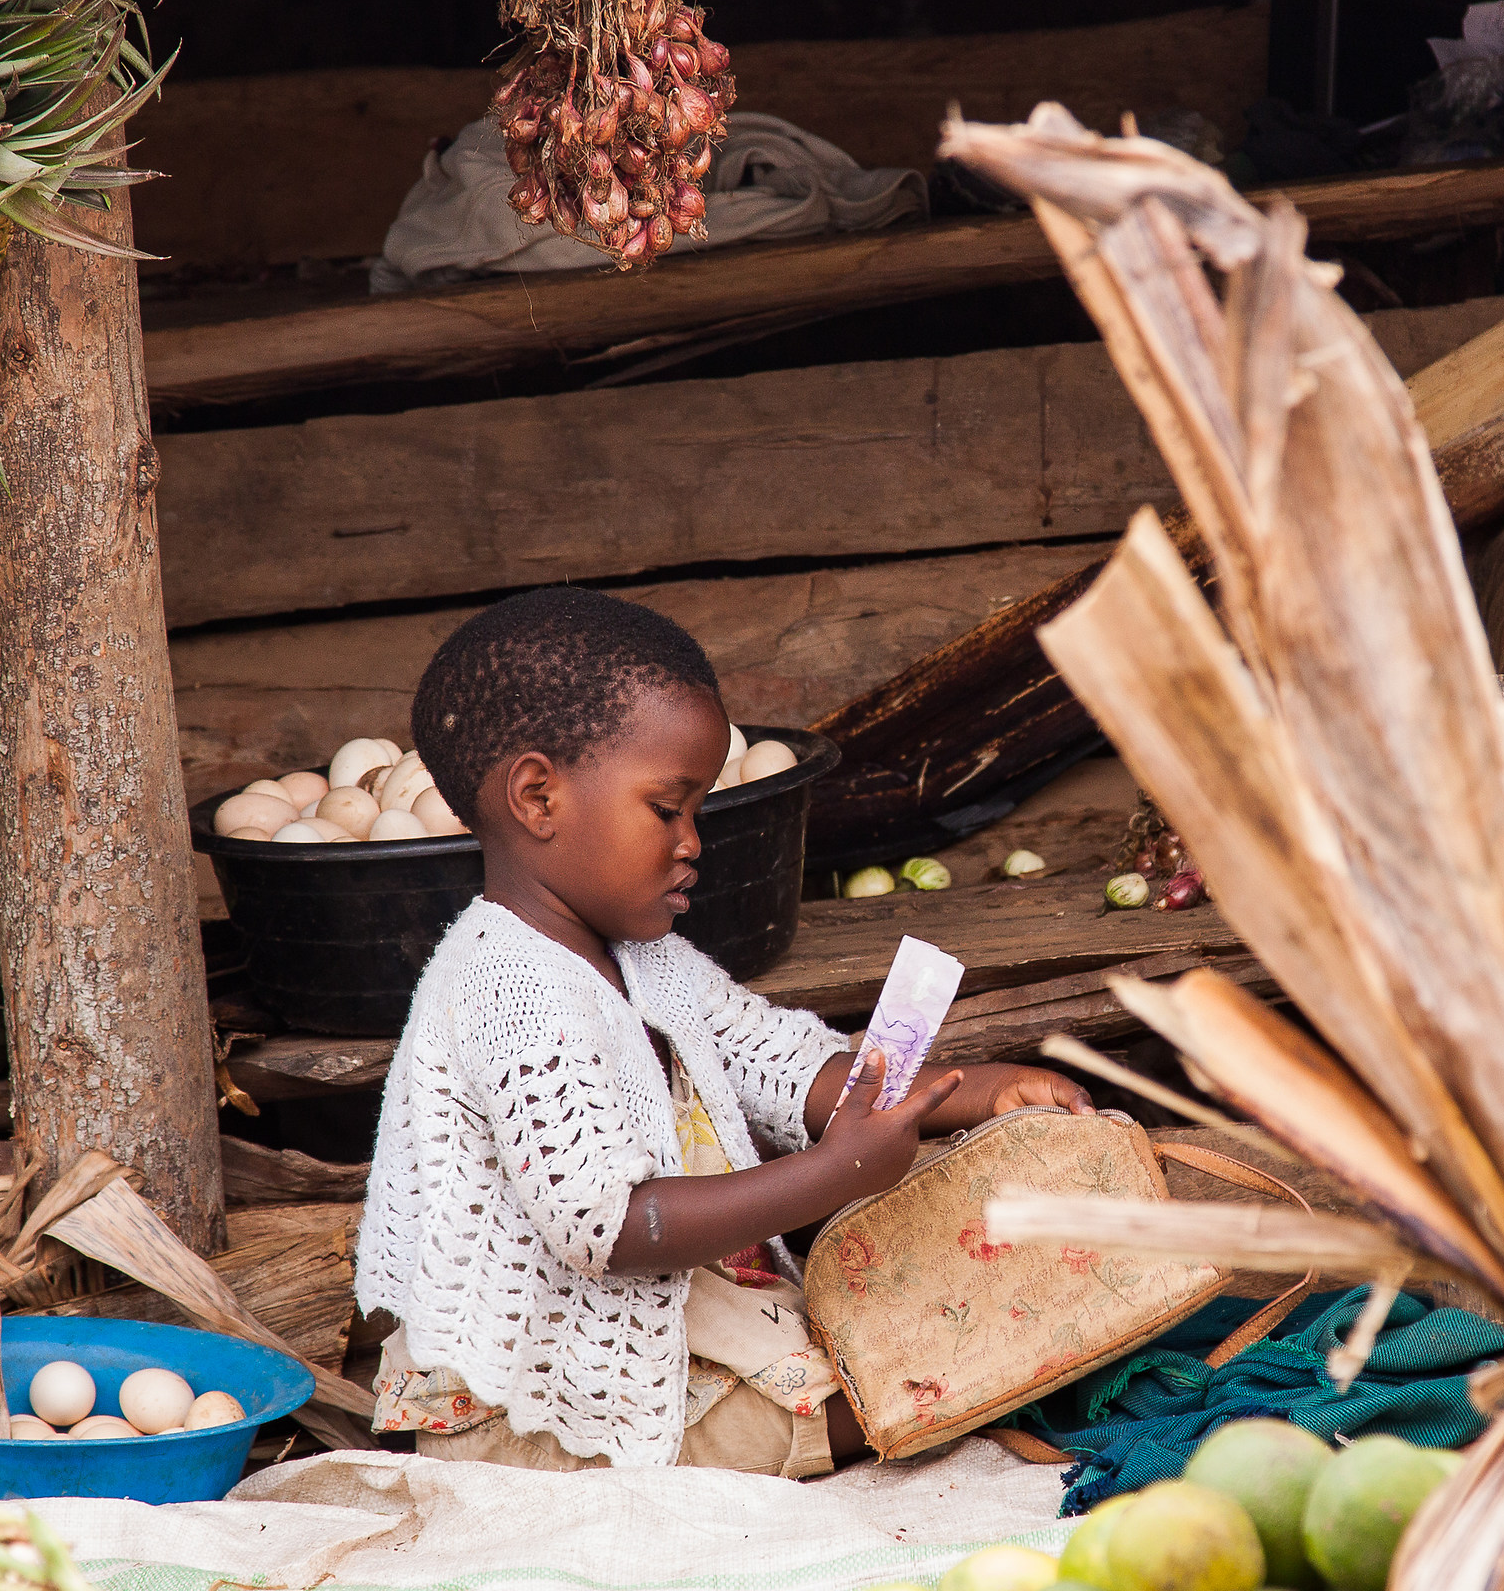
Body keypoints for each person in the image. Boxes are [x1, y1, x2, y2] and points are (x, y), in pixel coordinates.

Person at [353, 587, 1093, 1477]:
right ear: (540, 798)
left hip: (676, 1320)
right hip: (542, 1402)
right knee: (912, 1383)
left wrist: (980, 1088)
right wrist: (837, 1173)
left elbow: (797, 1071)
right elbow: (609, 1227)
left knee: (944, 1332)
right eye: (668, 809)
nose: (693, 841)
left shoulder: (647, 961)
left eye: (696, 812)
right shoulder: (504, 986)